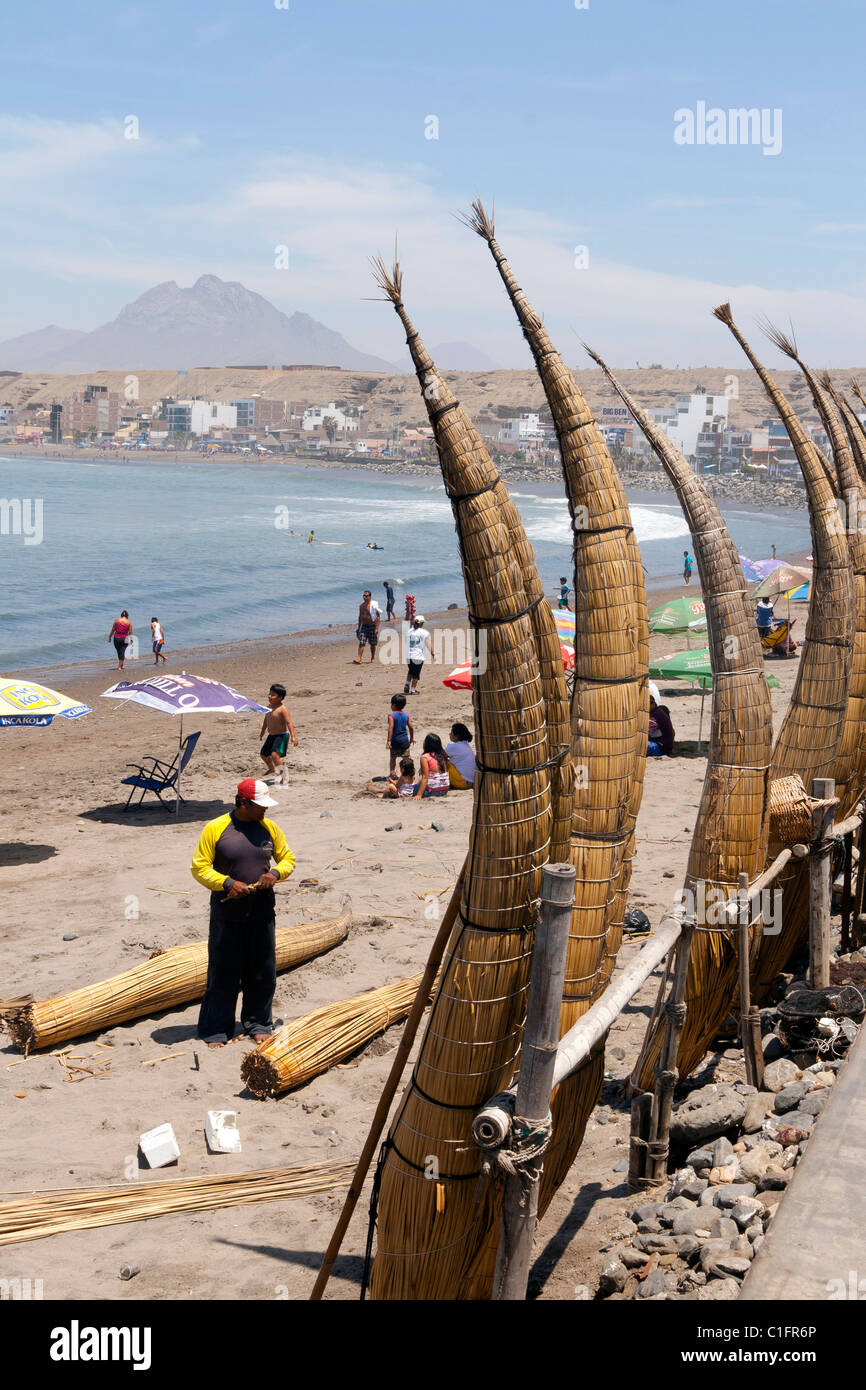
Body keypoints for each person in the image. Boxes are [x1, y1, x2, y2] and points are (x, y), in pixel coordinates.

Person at [191, 778, 296, 1047]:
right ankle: (216, 1029)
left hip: (262, 911)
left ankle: (258, 1022)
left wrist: (275, 873)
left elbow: (288, 859)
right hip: (228, 914)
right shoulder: (216, 828)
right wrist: (226, 883)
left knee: (262, 970)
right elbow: (199, 868)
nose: (265, 810)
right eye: (259, 805)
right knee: (223, 971)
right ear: (243, 802)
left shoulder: (269, 828)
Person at [259, 683, 298, 786]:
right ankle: (271, 768)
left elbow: (289, 722)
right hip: (271, 735)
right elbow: (266, 720)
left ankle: (285, 776)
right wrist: (263, 731)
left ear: (280, 697)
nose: (269, 696)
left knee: (275, 755)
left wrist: (293, 737)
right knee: (263, 754)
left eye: (273, 695)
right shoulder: (268, 707)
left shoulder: (282, 709)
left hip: (281, 735)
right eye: (269, 694)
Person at [413, 733, 450, 799]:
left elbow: (425, 778)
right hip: (445, 790)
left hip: (432, 791)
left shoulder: (425, 757)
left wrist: (419, 795)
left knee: (412, 788)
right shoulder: (443, 755)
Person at [386, 692, 413, 776]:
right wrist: (412, 738)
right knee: (406, 758)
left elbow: (390, 728)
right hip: (404, 741)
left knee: (393, 758)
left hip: (395, 741)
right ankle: (409, 773)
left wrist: (389, 740)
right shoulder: (406, 715)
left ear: (393, 705)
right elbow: (411, 727)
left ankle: (392, 772)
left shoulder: (391, 715)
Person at [405, 614, 431, 694]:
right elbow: (428, 644)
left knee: (411, 671)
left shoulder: (409, 631)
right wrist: (433, 653)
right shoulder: (424, 632)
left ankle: (407, 684)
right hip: (418, 657)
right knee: (416, 674)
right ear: (421, 623)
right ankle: (413, 690)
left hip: (409, 655)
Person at [446, 722, 476, 789]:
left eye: (451, 733)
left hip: (462, 783)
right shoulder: (466, 746)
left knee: (441, 762)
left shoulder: (454, 746)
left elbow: (439, 756)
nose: (449, 734)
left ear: (456, 736)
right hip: (471, 782)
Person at [355, 589, 381, 664]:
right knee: (362, 642)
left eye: (366, 596)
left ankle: (372, 657)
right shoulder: (361, 606)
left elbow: (378, 617)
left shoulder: (373, 605)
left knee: (372, 644)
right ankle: (359, 658)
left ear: (370, 596)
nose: (364, 597)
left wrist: (376, 628)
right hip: (364, 626)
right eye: (364, 596)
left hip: (372, 626)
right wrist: (358, 628)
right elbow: (360, 617)